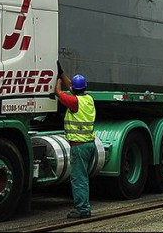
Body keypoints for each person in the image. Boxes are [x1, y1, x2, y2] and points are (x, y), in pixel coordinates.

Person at [55, 72, 96, 219]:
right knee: (83, 177)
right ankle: (85, 206)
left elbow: (58, 92)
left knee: (79, 179)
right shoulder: (88, 99)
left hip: (79, 146)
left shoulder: (74, 102)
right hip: (89, 144)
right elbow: (72, 88)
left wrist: (57, 78)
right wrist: (62, 73)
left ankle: (82, 209)